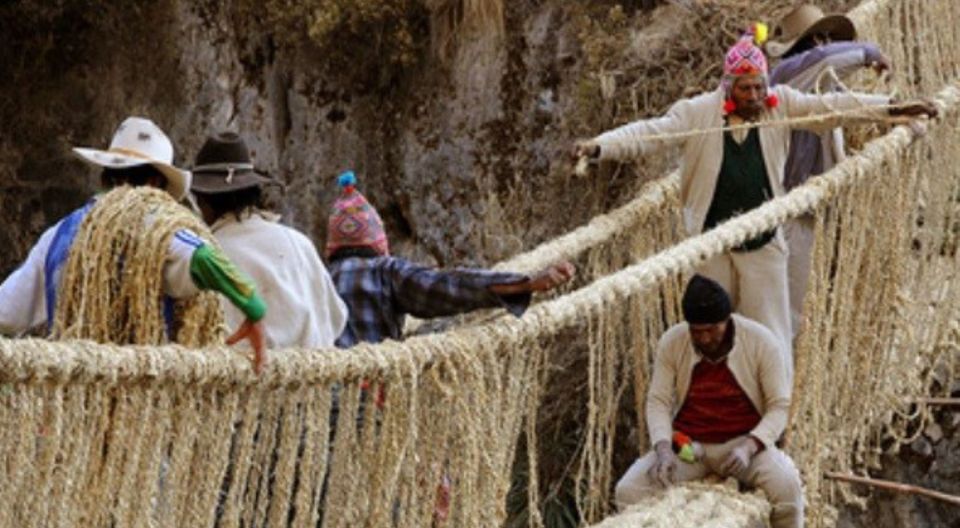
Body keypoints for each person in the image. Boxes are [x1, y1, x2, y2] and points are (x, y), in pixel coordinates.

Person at [572, 26, 936, 370]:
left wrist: (893, 109)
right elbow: (652, 133)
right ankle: (720, 412)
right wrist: (599, 147)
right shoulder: (699, 113)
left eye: (760, 87)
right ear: (728, 88)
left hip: (763, 240)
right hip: (711, 242)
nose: (755, 97)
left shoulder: (779, 105)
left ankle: (774, 420)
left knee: (772, 335)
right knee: (711, 332)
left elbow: (831, 108)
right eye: (745, 89)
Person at [0, 117, 268, 369]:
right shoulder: (158, 228)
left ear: (105, 177)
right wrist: (253, 308)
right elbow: (204, 259)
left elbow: (7, 312)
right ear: (155, 183)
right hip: (138, 400)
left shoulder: (59, 234)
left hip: (71, 399)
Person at [614, 275, 805, 528]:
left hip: (745, 445)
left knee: (787, 486)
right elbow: (658, 400)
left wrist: (750, 446)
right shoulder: (673, 342)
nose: (703, 338)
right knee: (628, 491)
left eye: (711, 331)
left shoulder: (761, 342)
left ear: (727, 321)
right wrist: (663, 448)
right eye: (696, 331)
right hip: (690, 447)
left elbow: (780, 406)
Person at [326, 171, 575, 347]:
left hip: (318, 405)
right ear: (379, 241)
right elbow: (446, 286)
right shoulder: (386, 272)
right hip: (369, 404)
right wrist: (524, 284)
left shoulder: (320, 278)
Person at [767, 5, 892, 333]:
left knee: (808, 300)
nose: (826, 46)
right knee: (790, 312)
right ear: (813, 42)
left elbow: (843, 106)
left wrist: (897, 110)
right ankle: (785, 377)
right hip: (787, 212)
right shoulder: (788, 76)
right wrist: (871, 53)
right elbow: (823, 61)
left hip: (815, 209)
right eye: (822, 39)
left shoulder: (820, 88)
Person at [191, 131, 348, 349]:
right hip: (315, 376)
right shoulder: (299, 242)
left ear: (203, 202)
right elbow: (337, 317)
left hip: (247, 378)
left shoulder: (208, 254)